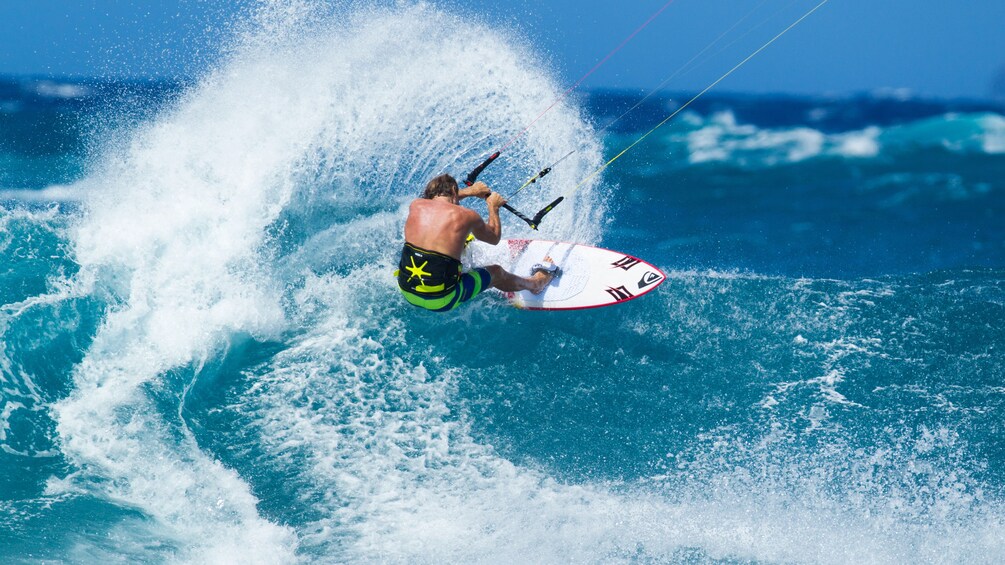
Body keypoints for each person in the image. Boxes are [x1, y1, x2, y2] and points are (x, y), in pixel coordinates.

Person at [397, 174, 558, 312]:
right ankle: (535, 284)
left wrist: (470, 191)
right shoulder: (467, 215)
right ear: (454, 191)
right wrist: (493, 207)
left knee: (464, 241)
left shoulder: (416, 205)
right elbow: (494, 238)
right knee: (496, 272)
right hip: (443, 301)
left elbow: (439, 204)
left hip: (407, 291)